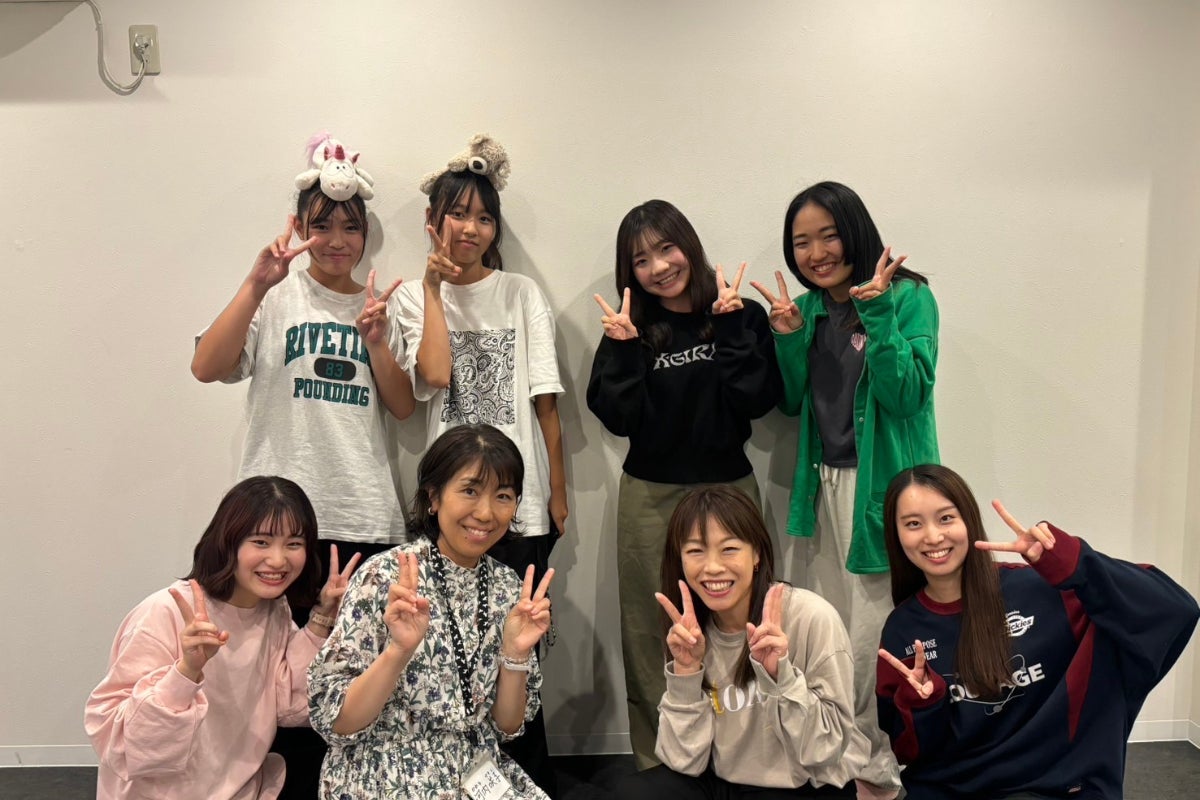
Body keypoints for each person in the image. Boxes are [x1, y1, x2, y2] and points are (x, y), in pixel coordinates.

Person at [190, 133, 414, 797]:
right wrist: (256, 283)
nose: (338, 240)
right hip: (280, 525)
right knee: (276, 676)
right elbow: (205, 366)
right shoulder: (276, 298)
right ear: (300, 227)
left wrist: (377, 342)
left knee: (354, 671)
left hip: (362, 512)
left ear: (366, 233)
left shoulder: (381, 305)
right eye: (323, 226)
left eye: (351, 227)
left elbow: (403, 406)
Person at [751, 181, 937, 798]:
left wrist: (877, 314)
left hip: (885, 489)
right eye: (801, 242)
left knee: (872, 637)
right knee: (829, 629)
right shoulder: (806, 309)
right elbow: (792, 402)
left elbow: (906, 395)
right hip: (822, 485)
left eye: (829, 235)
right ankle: (842, 754)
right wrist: (786, 338)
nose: (816, 253)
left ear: (855, 231)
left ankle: (877, 770)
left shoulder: (908, 297)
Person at [393, 134, 564, 791]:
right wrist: (435, 289)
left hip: (518, 501)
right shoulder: (412, 298)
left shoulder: (521, 292)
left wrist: (558, 493)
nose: (470, 228)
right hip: (453, 503)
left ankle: (527, 777)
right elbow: (434, 376)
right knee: (451, 649)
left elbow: (546, 402)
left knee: (521, 646)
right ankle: (459, 774)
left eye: (484, 217)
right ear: (432, 220)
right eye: (457, 214)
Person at [588, 199, 781, 767]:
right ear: (630, 272)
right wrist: (623, 349)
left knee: (742, 617)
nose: (659, 267)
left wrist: (731, 328)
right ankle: (663, 758)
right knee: (650, 624)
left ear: (688, 247)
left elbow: (759, 399)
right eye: (641, 259)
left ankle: (744, 747)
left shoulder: (737, 315)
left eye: (666, 248)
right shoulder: (631, 329)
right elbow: (617, 418)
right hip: (650, 493)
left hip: (729, 486)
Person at [876, 464, 1200, 799]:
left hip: (1054, 785)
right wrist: (922, 704)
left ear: (968, 520)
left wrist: (1077, 563)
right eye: (913, 524)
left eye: (945, 518)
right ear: (896, 535)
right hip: (954, 788)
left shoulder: (1043, 590)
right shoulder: (902, 628)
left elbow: (1174, 611)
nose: (932, 536)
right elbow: (907, 750)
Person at [308, 424, 554, 800]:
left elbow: (507, 727)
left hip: (475, 770)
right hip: (383, 770)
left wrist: (516, 655)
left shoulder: (508, 587)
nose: (486, 512)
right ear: (433, 497)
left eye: (503, 496)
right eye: (470, 491)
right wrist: (398, 650)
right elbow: (336, 723)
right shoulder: (384, 576)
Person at [85, 476, 359, 800]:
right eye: (261, 542)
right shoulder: (163, 611)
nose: (278, 560)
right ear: (228, 542)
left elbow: (290, 706)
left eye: (294, 544)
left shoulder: (274, 611)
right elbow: (124, 746)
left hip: (238, 788)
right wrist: (185, 672)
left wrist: (322, 619)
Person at [617, 485, 864, 799]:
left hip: (805, 786)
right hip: (723, 781)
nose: (712, 567)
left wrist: (781, 677)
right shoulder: (690, 629)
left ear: (756, 553)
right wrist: (686, 672)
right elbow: (682, 760)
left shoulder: (812, 617)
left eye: (729, 548)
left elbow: (824, 751)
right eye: (695, 551)